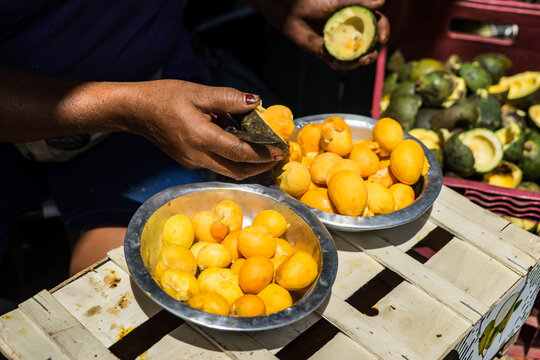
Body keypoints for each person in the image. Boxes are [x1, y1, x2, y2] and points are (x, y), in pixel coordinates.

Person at [0, 0, 389, 277]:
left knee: (122, 281)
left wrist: (276, 4)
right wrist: (128, 108)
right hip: (18, 124)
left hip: (151, 96)